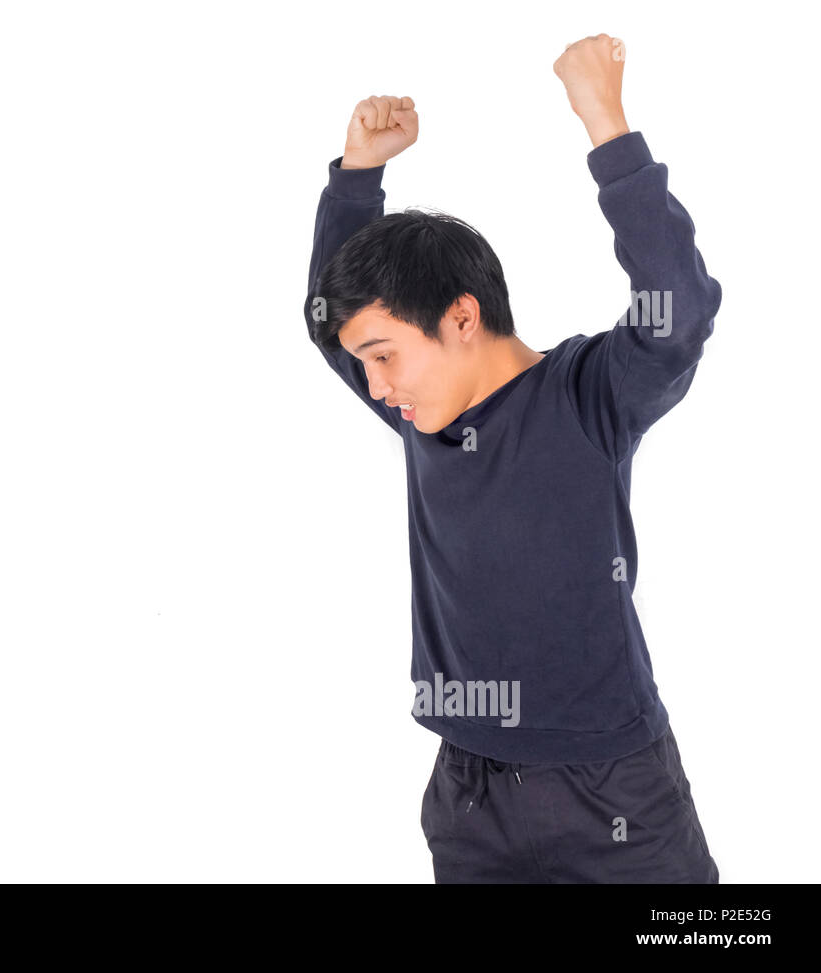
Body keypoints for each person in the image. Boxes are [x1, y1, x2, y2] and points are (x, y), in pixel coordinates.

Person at [302, 34, 720, 882]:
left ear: (462, 318)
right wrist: (356, 179)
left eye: (383, 355)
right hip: (470, 794)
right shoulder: (421, 413)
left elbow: (677, 314)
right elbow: (327, 323)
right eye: (365, 363)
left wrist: (608, 128)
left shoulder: (586, 396)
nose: (374, 385)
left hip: (612, 792)